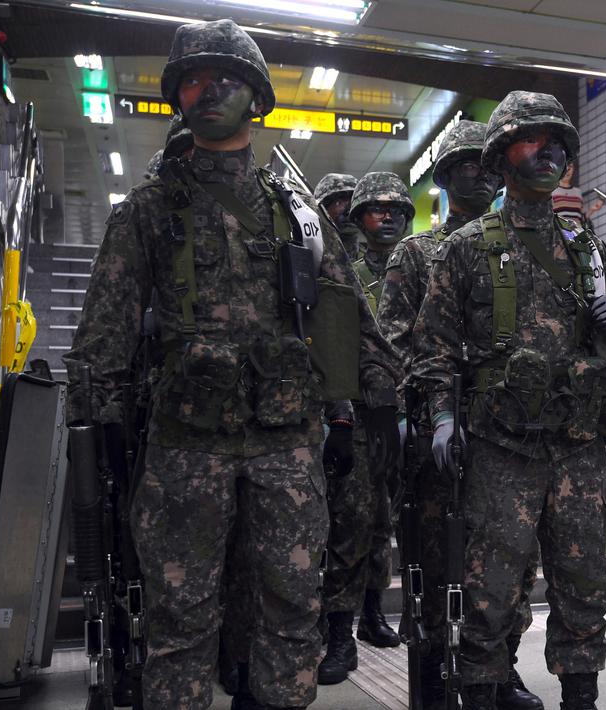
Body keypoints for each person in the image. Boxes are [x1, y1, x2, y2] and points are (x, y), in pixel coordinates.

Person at [63, 19, 403, 710]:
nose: (207, 90)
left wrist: (361, 418)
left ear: (255, 96)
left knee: (289, 611)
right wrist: (97, 442)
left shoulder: (299, 216)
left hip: (286, 448)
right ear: (176, 99)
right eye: (192, 79)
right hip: (185, 449)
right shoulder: (148, 213)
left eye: (225, 78)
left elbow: (349, 328)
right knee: (181, 620)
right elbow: (103, 342)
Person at [412, 90, 606, 710]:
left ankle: (580, 696)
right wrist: (440, 416)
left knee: (584, 583)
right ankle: (483, 692)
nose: (547, 153)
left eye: (558, 143)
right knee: (489, 588)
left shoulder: (585, 243)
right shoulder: (466, 247)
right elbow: (432, 343)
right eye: (530, 140)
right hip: (500, 449)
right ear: (500, 156)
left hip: (577, 446)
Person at [379, 120, 542, 710]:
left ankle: (498, 673)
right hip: (439, 440)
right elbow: (395, 344)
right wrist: (410, 418)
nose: (479, 172)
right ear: (445, 178)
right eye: (465, 164)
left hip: (508, 435)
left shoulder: (521, 245)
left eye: (485, 162)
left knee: (509, 567)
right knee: (435, 562)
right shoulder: (416, 253)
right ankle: (431, 680)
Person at [318, 171, 414, 685]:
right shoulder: (343, 271)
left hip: (407, 416)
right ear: (356, 217)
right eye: (377, 209)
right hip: (357, 417)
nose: (389, 217)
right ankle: (338, 631)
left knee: (384, 523)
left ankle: (374, 611)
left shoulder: (422, 266)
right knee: (349, 525)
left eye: (397, 209)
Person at [314, 173, 361, 261]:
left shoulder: (370, 260)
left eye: (354, 202)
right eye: (339, 201)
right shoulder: (311, 250)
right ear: (323, 208)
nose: (349, 211)